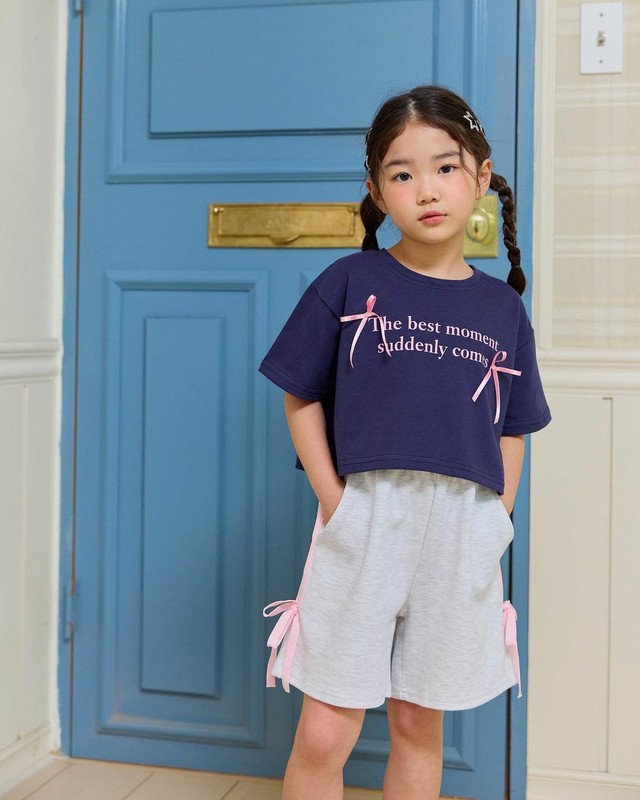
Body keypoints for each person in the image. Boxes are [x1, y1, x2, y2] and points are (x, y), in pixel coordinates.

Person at [259, 85, 551, 800]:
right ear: (376, 192)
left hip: (462, 528)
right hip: (366, 517)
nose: (426, 189)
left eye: (446, 168)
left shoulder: (502, 308)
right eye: (402, 173)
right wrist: (336, 501)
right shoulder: (349, 281)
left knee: (420, 722)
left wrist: (498, 517)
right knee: (325, 729)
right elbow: (300, 394)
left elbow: (514, 423)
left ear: (481, 177)